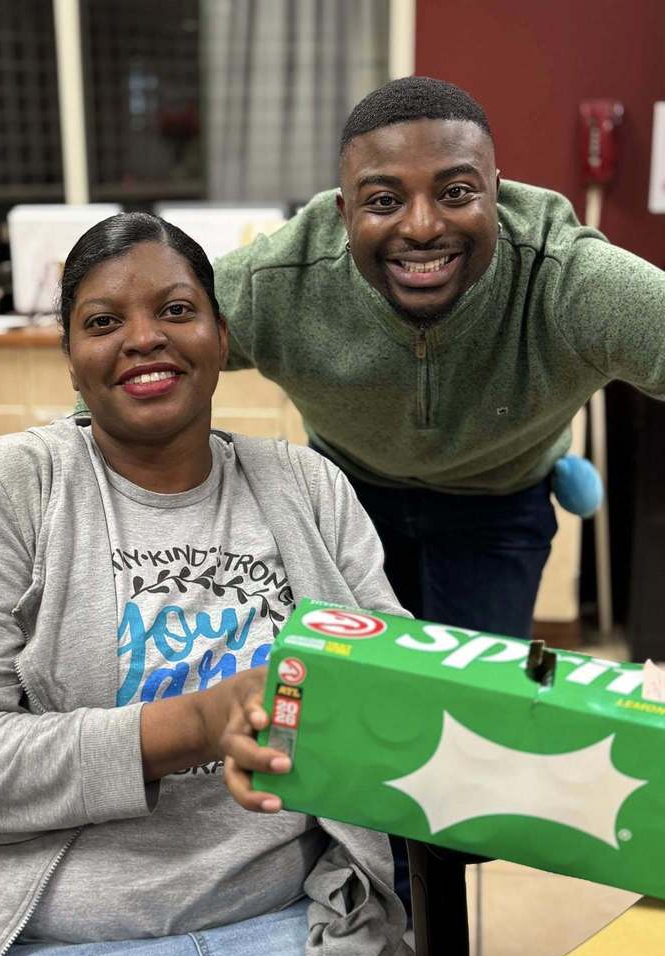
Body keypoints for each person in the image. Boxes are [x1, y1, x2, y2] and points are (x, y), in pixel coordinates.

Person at [0, 213, 431, 956]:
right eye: (104, 322)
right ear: (72, 360)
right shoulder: (7, 489)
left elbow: (395, 697)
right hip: (59, 954)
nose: (144, 339)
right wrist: (189, 725)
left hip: (296, 933)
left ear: (221, 337)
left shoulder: (307, 489)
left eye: (177, 311)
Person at [215, 75, 665, 640]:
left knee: (474, 699)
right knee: (358, 684)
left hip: (499, 501)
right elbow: (150, 333)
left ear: (494, 194)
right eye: (384, 201)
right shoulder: (279, 279)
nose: (422, 227)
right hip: (348, 493)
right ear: (342, 211)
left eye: (456, 193)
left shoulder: (564, 278)